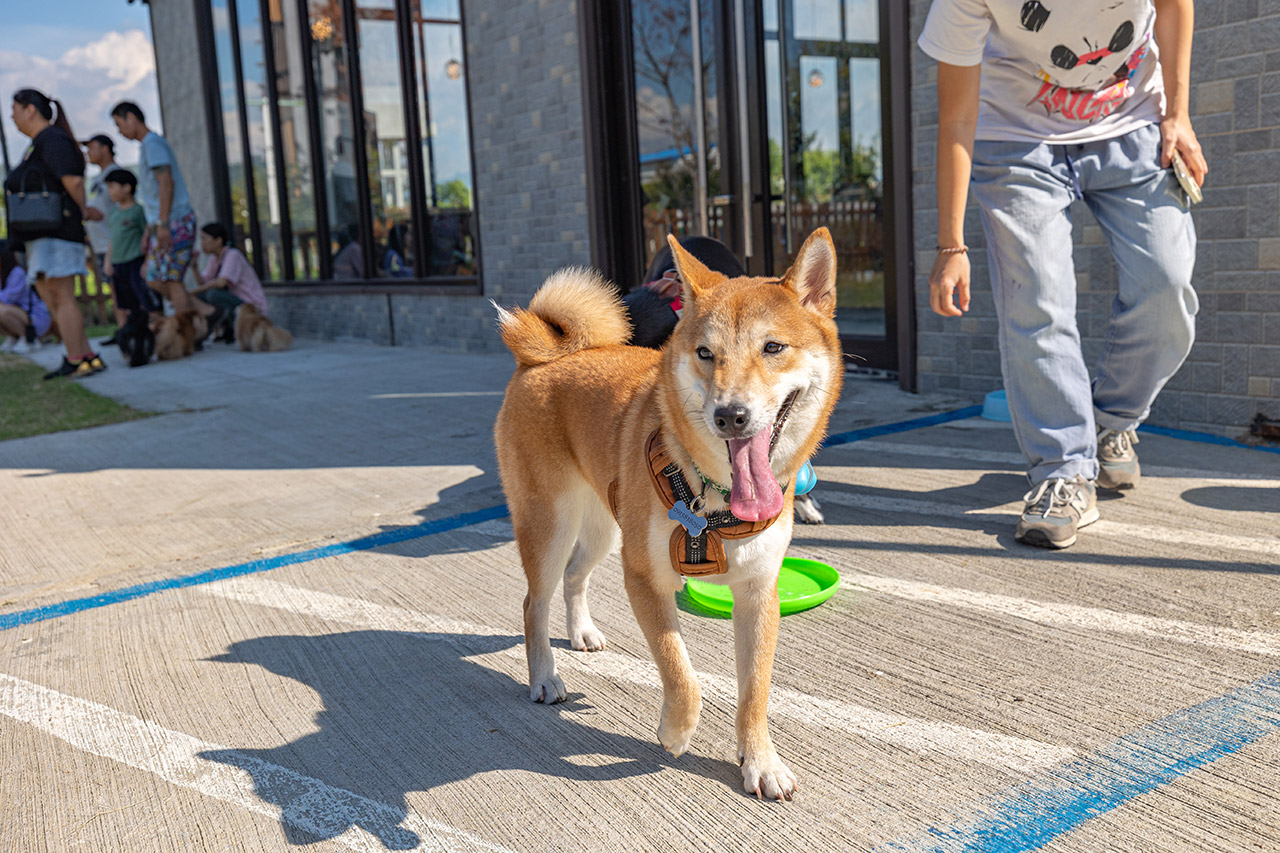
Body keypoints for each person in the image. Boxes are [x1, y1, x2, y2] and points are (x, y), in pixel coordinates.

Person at [919, 0, 1205, 549]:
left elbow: (1174, 3)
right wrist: (951, 243)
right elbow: (956, 118)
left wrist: (1178, 113)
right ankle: (1064, 470)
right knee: (1039, 303)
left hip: (1135, 124)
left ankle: (1109, 423)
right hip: (1016, 139)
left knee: (1167, 290)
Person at [4, 89, 105, 378]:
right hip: (46, 233)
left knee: (61, 297)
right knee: (54, 295)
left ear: (30, 110)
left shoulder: (53, 140)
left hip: (58, 230)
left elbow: (72, 181)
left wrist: (82, 211)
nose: (12, 116)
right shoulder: (41, 143)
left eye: (15, 109)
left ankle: (77, 359)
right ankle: (85, 355)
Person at [109, 101, 197, 315]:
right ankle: (205, 313)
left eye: (120, 124)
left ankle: (188, 331)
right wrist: (151, 228)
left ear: (131, 117)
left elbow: (166, 184)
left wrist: (164, 223)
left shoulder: (153, 144)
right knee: (155, 277)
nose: (120, 132)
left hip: (174, 219)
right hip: (163, 221)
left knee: (167, 279)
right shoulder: (148, 146)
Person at [82, 133, 127, 340]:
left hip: (114, 243)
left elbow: (108, 211)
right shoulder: (98, 178)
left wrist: (79, 210)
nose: (88, 153)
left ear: (105, 149)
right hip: (100, 244)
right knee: (113, 288)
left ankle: (128, 328)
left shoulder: (116, 175)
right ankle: (122, 329)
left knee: (121, 287)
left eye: (91, 147)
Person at [190, 222, 269, 339]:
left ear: (218, 241)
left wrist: (192, 291)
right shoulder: (214, 258)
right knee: (202, 296)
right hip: (235, 303)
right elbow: (203, 283)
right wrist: (194, 267)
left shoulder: (233, 255)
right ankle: (223, 327)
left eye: (204, 238)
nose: (202, 243)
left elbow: (222, 282)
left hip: (250, 305)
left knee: (213, 295)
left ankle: (230, 327)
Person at [102, 169, 157, 326]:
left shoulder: (138, 211)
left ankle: (154, 329)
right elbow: (113, 239)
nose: (110, 192)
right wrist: (108, 260)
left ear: (127, 187)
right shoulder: (113, 213)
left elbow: (148, 238)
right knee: (127, 304)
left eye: (113, 187)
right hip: (118, 264)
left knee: (144, 298)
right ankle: (134, 332)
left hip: (136, 262)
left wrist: (147, 262)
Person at [0, 243, 51, 354]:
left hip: (34, 318)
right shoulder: (2, 275)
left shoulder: (17, 273)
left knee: (1, 310)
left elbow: (6, 299)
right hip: (18, 315)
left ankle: (29, 339)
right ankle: (13, 337)